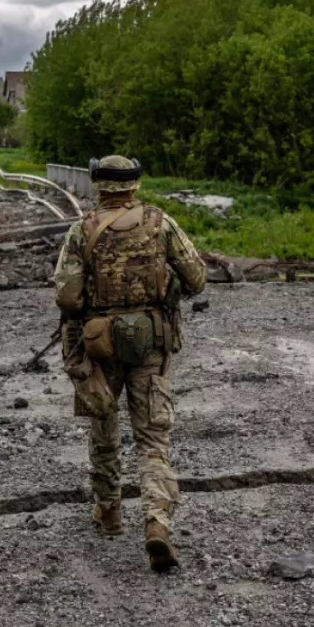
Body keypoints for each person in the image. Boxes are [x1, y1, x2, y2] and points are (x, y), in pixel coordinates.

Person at [53, 155, 207, 572]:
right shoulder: (161, 223)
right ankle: (156, 522)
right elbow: (196, 278)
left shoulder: (82, 229)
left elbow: (66, 299)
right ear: (134, 186)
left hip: (99, 345)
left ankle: (109, 511)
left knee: (104, 424)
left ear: (98, 187)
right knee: (152, 440)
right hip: (151, 343)